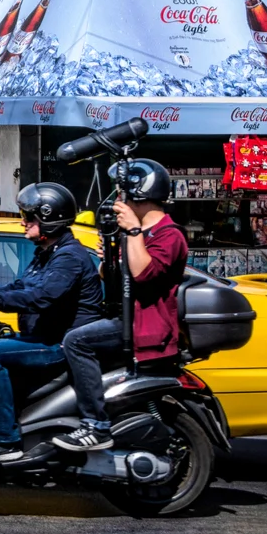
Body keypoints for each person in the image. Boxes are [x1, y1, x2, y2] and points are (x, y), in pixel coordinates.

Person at [0, 182, 104, 463]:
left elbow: (40, 298)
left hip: (58, 343)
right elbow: (19, 287)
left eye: (29, 218)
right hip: (41, 336)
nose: (23, 222)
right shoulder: (47, 253)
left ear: (48, 219)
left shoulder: (68, 258)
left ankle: (6, 441)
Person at [53, 161, 187, 453]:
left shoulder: (168, 234)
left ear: (140, 195)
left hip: (145, 326)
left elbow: (144, 274)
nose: (116, 202)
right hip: (125, 317)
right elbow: (117, 280)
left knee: (77, 341)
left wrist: (134, 233)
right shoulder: (133, 232)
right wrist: (109, 260)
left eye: (121, 194)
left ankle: (95, 425)